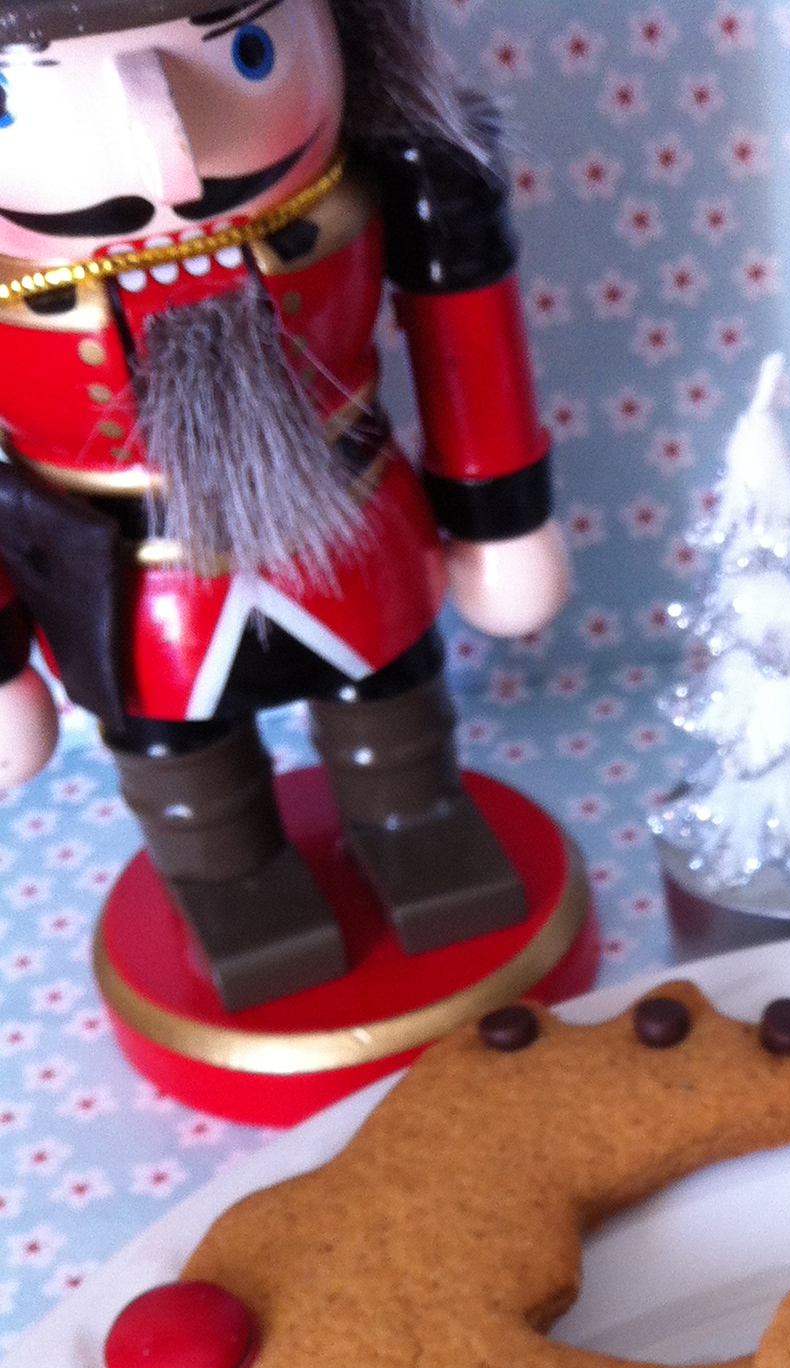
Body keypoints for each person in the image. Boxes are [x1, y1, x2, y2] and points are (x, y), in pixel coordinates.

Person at [0, 0, 570, 1006]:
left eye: (247, 52)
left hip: (349, 528)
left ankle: (413, 828)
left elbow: (466, 345)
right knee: (184, 767)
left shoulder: (387, 195)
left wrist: (501, 515)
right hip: (133, 589)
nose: (168, 154)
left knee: (393, 707)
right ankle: (229, 887)